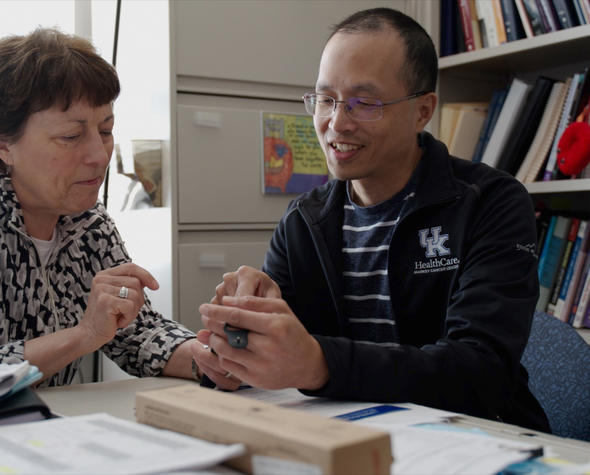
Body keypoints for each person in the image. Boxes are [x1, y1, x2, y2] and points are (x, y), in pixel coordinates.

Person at [190, 8, 550, 432]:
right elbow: (283, 357)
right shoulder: (304, 221)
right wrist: (238, 353)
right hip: (349, 436)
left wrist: (319, 364)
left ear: (422, 110)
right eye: (326, 100)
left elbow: (479, 370)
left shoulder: (491, 203)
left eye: (365, 103)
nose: (336, 124)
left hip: (475, 437)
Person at [0, 28, 199, 386]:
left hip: (30, 428)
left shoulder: (88, 222)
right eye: (71, 137)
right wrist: (84, 334)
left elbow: (139, 335)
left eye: (105, 130)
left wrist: (219, 358)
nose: (98, 155)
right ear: (3, 144)